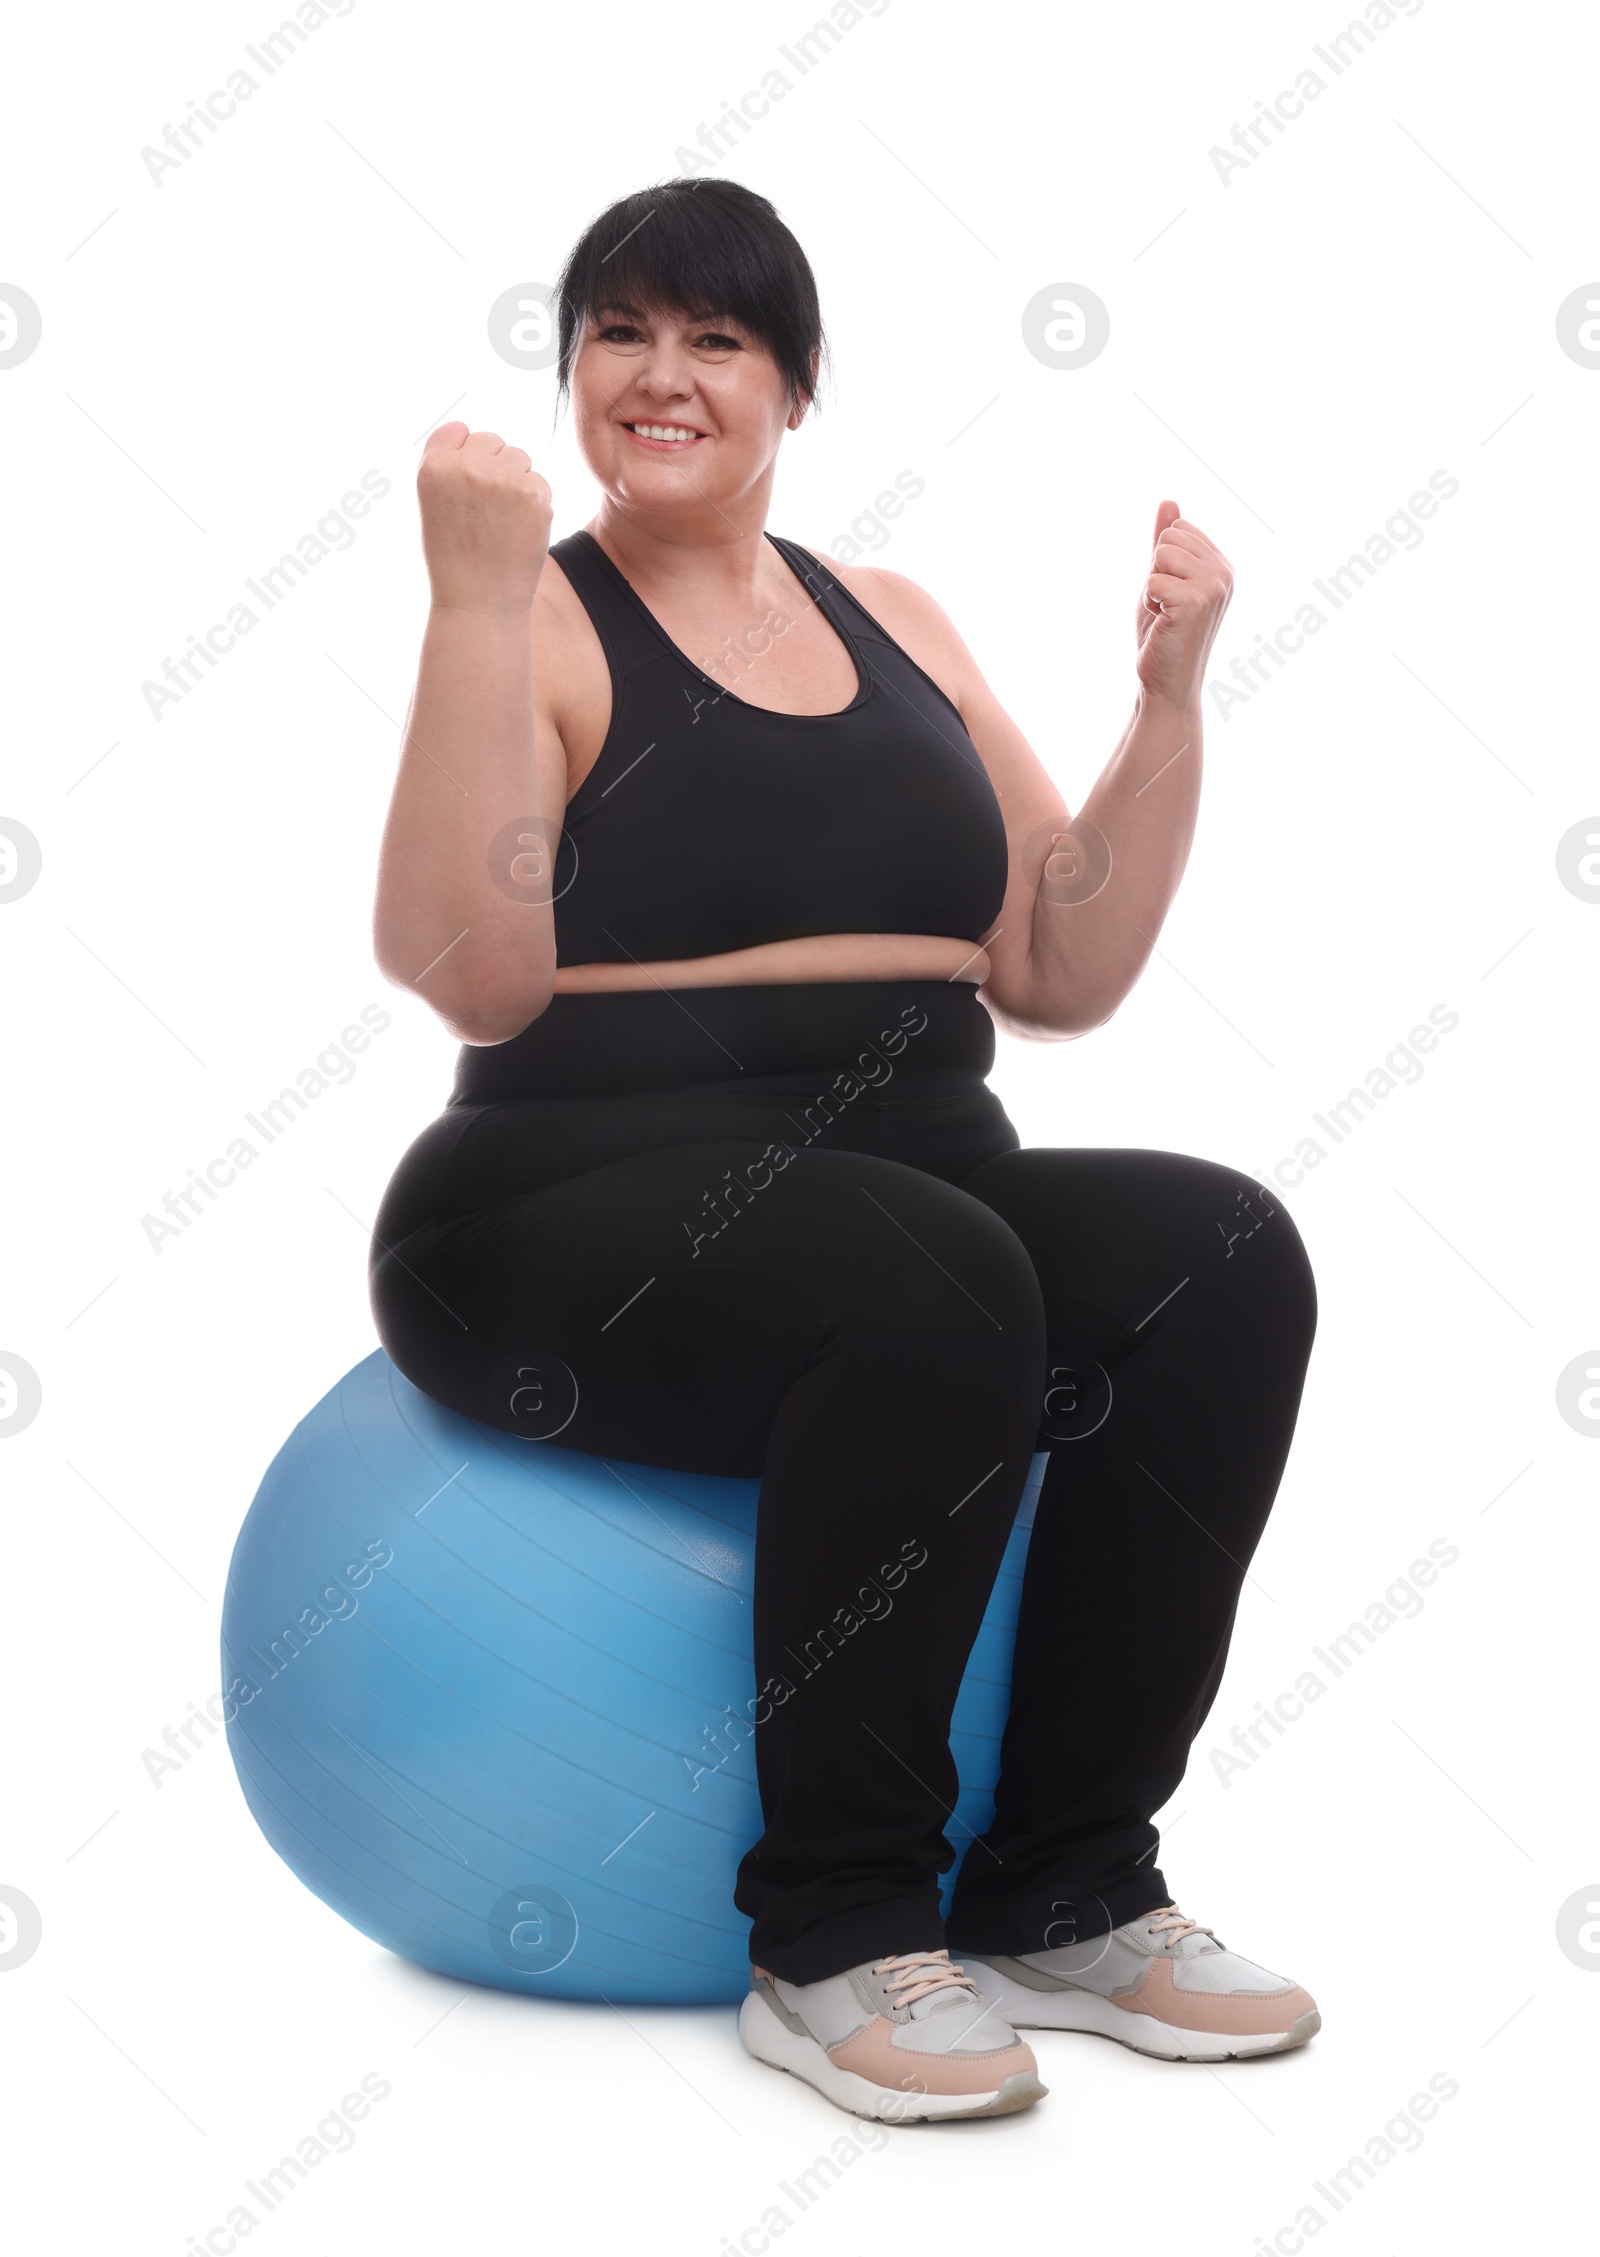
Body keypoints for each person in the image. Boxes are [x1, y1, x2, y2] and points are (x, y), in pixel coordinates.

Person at [368, 178, 1320, 2124]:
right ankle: (827, 1936)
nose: (660, 372)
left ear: (792, 385)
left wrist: (1165, 708)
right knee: (922, 1273)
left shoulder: (892, 623)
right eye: (615, 332)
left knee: (1215, 1252)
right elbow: (467, 969)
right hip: (547, 1217)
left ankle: (1061, 1879)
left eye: (713, 337)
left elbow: (1058, 962)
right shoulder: (537, 614)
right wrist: (467, 598)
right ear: (569, 377)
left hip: (903, 1202)